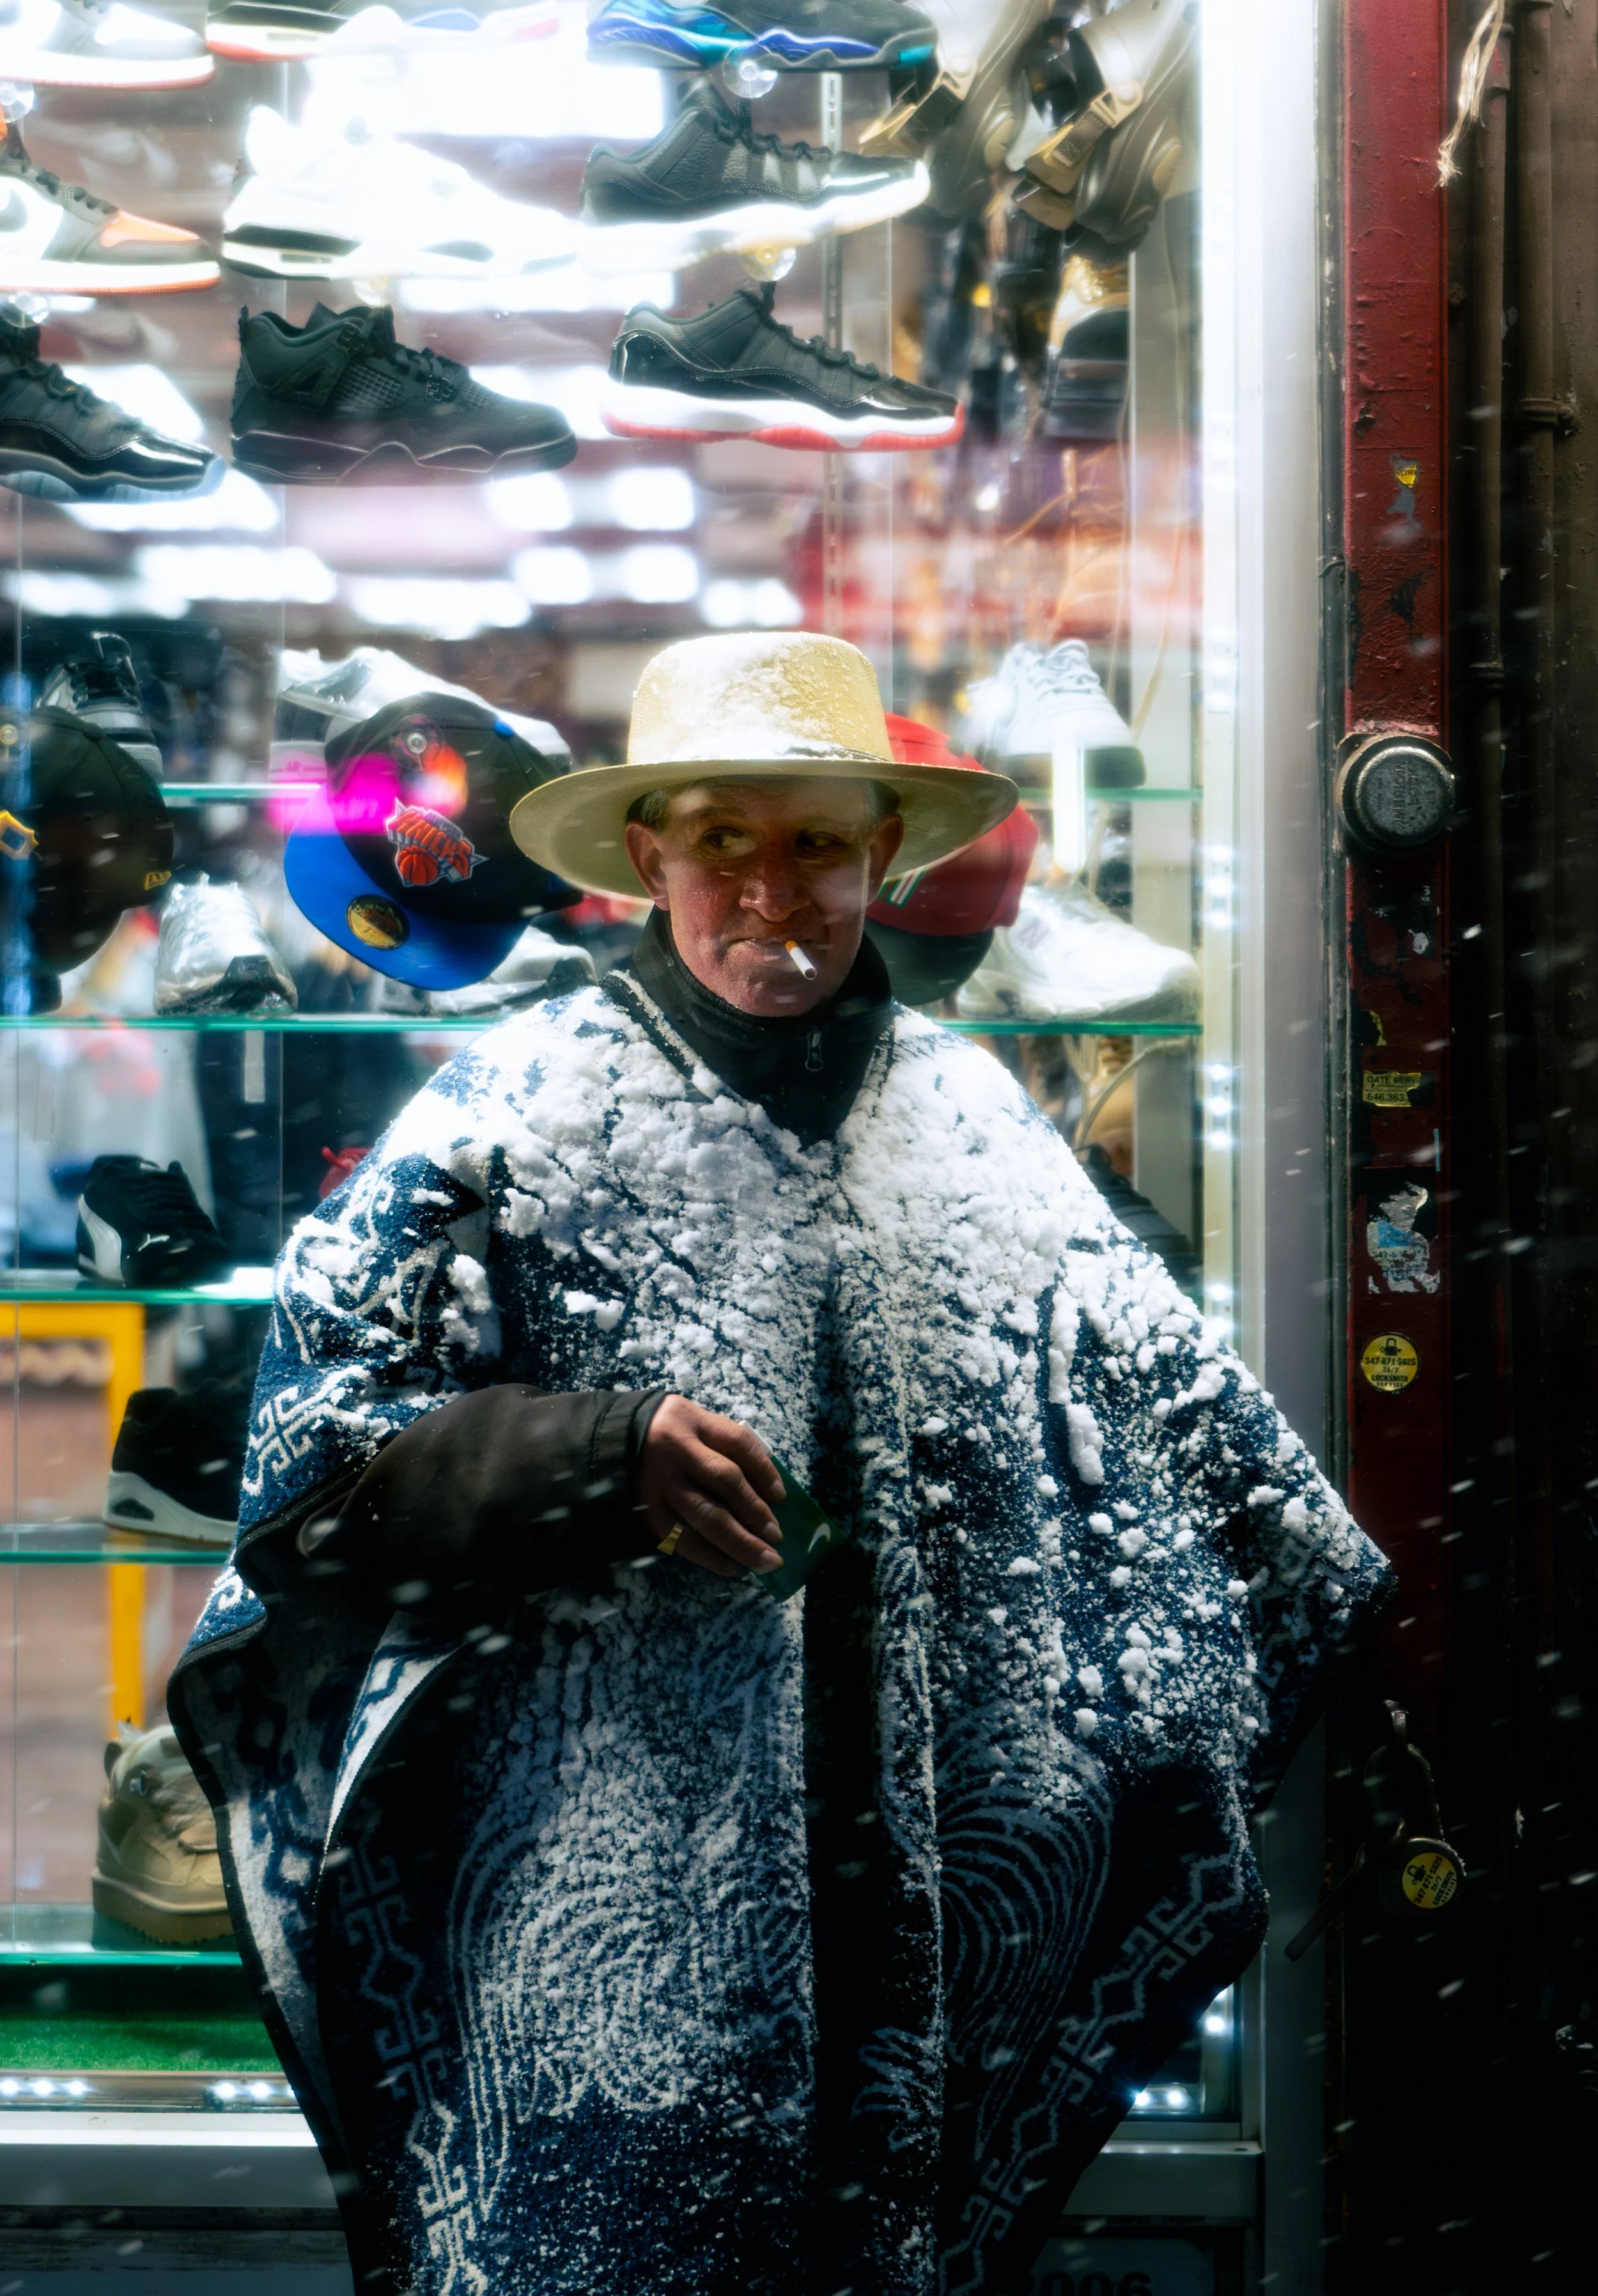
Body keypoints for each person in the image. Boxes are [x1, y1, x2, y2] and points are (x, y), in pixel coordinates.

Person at [171, 632, 1388, 2296]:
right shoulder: (511, 1114)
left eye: (815, 838)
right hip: (591, 1971)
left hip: (925, 1993)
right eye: (721, 840)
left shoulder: (980, 1131)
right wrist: (582, 1458)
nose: (771, 890)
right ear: (650, 853)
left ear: (882, 853)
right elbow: (314, 1488)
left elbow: (1249, 1526)